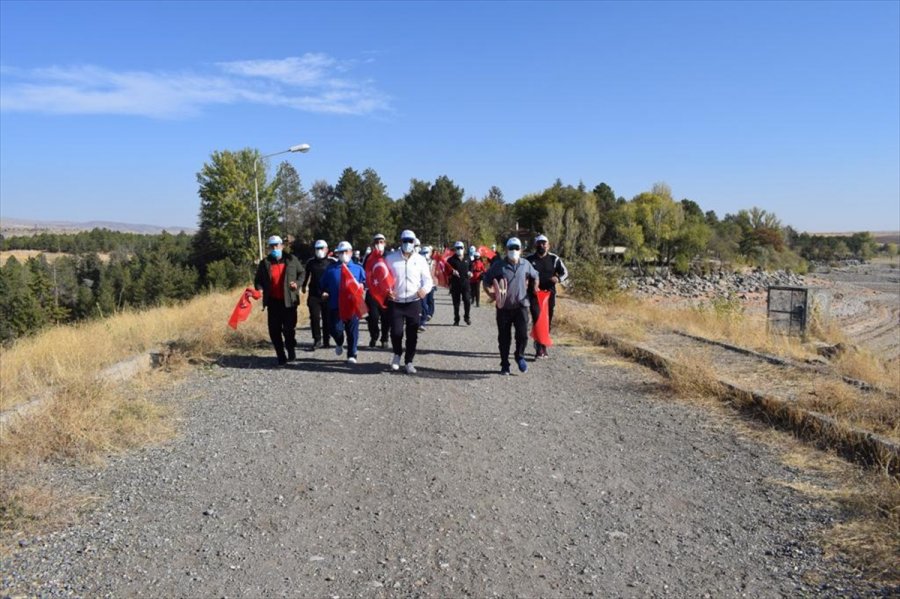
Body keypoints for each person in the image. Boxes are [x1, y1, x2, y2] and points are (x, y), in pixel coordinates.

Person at [483, 237, 540, 375]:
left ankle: (519, 356)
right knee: (504, 337)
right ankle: (504, 365)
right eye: (511, 248)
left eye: (516, 248)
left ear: (520, 249)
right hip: (504, 308)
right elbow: (486, 281)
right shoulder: (498, 265)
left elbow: (535, 275)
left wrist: (535, 286)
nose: (514, 250)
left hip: (521, 305)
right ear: (507, 249)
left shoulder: (526, 264)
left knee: (522, 335)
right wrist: (491, 294)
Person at [385, 229, 434, 374]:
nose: (407, 244)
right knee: (396, 332)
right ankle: (397, 354)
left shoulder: (420, 260)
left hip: (414, 301)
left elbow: (428, 280)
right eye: (405, 241)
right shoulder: (391, 259)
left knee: (412, 333)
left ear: (414, 242)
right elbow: (384, 279)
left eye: (410, 241)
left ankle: (409, 361)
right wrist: (387, 292)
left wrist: (424, 290)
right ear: (400, 242)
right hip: (396, 301)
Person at [254, 235, 303, 366]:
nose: (275, 248)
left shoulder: (292, 259)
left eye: (277, 245)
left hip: (289, 302)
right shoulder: (264, 263)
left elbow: (302, 273)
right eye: (272, 246)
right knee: (274, 331)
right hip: (273, 302)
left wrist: (297, 284)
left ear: (282, 246)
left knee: (288, 330)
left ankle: (291, 350)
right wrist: (260, 289)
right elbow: (258, 281)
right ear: (269, 248)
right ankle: (281, 356)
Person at [320, 241, 366, 364]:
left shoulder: (358, 268)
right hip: (335, 305)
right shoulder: (331, 270)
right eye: (341, 252)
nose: (344, 254)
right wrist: (324, 292)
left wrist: (362, 285)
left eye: (346, 251)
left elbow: (365, 283)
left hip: (352, 307)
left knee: (352, 331)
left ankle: (352, 353)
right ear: (337, 254)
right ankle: (339, 342)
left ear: (351, 252)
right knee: (335, 329)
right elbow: (322, 285)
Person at [525, 234, 569, 358]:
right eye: (539, 243)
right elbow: (523, 273)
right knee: (537, 318)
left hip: (549, 294)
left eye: (544, 243)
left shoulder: (554, 259)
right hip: (534, 294)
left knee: (547, 320)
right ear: (535, 245)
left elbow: (565, 272)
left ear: (548, 246)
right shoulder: (528, 259)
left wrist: (558, 278)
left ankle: (543, 344)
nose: (542, 245)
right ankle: (539, 347)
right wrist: (527, 283)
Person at [302, 239, 335, 351]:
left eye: (322, 248)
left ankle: (326, 340)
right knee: (315, 318)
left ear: (326, 249)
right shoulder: (310, 262)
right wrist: (303, 286)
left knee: (327, 319)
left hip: (328, 295)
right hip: (314, 294)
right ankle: (317, 339)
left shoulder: (332, 262)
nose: (319, 250)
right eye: (317, 248)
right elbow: (306, 275)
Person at [363, 233, 390, 348]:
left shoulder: (389, 257)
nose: (379, 244)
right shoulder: (369, 257)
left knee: (386, 318)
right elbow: (364, 272)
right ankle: (374, 335)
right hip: (372, 292)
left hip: (386, 293)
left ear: (385, 243)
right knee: (373, 317)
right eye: (377, 242)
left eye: (381, 242)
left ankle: (384, 339)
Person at [446, 240, 472, 325]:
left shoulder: (468, 258)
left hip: (466, 284)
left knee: (467, 301)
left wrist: (470, 272)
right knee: (456, 303)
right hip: (455, 284)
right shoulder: (451, 260)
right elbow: (446, 270)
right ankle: (456, 319)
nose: (459, 249)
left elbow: (471, 268)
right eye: (457, 248)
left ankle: (467, 317)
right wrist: (452, 272)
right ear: (455, 249)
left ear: (464, 248)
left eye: (461, 248)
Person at [418, 244, 436, 331]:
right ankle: (421, 322)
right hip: (420, 287)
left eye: (426, 252)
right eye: (423, 252)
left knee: (429, 301)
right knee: (422, 305)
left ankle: (425, 318)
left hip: (429, 285)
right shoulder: (417, 262)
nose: (425, 254)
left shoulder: (432, 262)